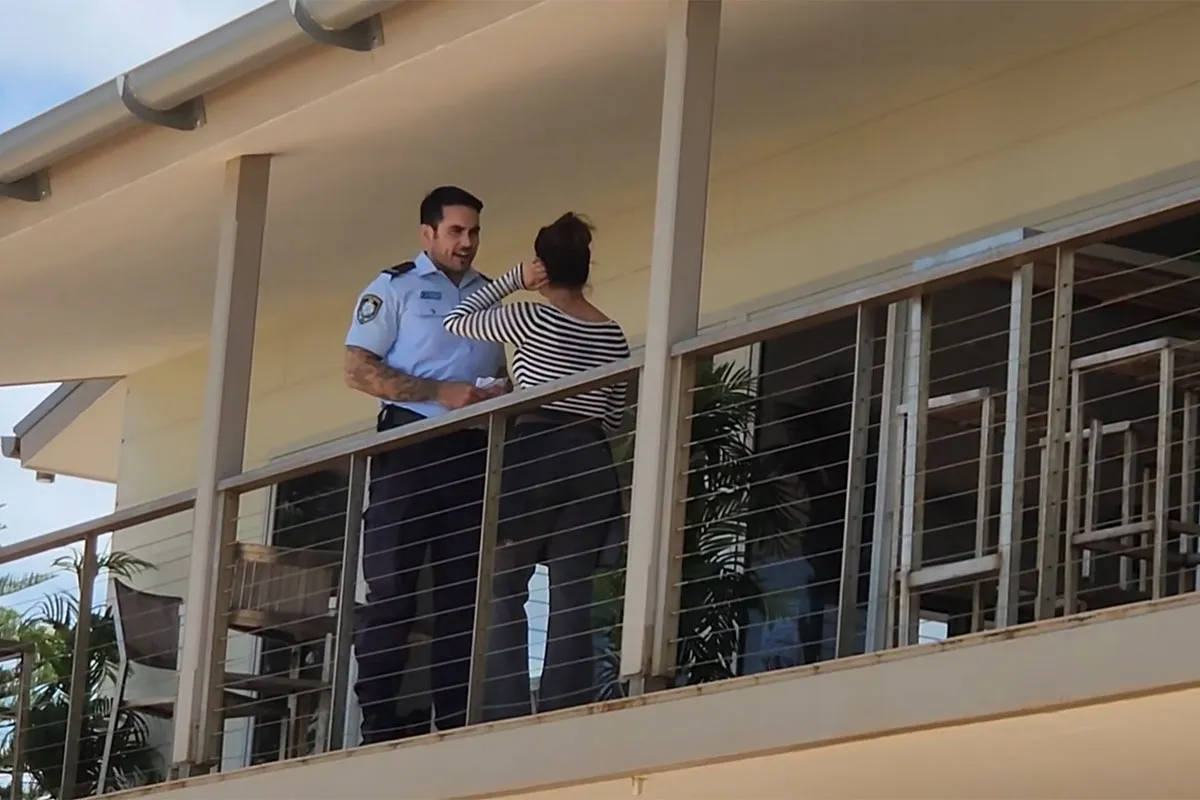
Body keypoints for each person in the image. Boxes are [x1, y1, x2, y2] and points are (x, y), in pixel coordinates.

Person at [442, 212, 631, 719]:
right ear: (586, 268)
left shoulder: (530, 316)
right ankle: (565, 705)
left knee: (506, 582)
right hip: (590, 457)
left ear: (542, 267)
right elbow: (614, 416)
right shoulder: (613, 335)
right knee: (572, 588)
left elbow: (457, 319)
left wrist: (514, 279)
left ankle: (503, 709)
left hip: (535, 450)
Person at [343, 185, 508, 743]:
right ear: (428, 233)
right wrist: (440, 392)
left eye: (474, 232)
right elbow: (357, 369)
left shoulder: (488, 295)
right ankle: (379, 723)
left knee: (462, 594)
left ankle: (455, 722)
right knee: (393, 589)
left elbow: (499, 369)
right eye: (456, 231)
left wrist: (499, 391)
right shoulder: (395, 287)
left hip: (472, 449)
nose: (467, 242)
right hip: (410, 445)